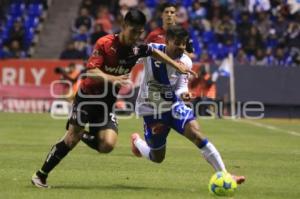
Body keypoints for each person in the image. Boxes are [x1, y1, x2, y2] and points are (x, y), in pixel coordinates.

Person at [31, 9, 195, 188]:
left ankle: (80, 133)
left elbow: (154, 52)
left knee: (107, 145)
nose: (136, 35)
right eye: (133, 31)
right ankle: (41, 175)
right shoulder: (105, 43)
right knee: (70, 140)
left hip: (107, 104)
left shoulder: (137, 48)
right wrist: (113, 78)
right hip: (88, 98)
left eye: (140, 32)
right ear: (124, 26)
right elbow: (91, 71)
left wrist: (176, 65)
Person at [131, 25, 246, 185]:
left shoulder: (186, 61)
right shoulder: (152, 51)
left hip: (173, 106)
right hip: (151, 109)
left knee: (196, 133)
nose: (181, 47)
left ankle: (225, 174)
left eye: (183, 44)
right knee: (157, 157)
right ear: (167, 41)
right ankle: (137, 142)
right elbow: (135, 51)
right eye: (177, 43)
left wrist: (183, 94)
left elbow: (180, 87)